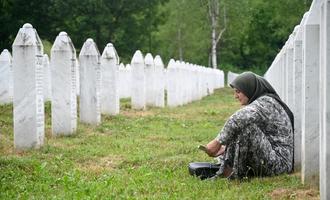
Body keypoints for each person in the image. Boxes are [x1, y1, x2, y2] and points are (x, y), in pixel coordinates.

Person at [204, 71, 294, 180]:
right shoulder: (264, 101)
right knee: (241, 125)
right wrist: (227, 148)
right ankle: (227, 168)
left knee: (246, 126)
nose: (235, 96)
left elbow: (239, 119)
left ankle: (235, 175)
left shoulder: (267, 102)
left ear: (249, 89)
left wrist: (217, 142)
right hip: (272, 156)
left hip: (279, 164)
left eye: (238, 92)